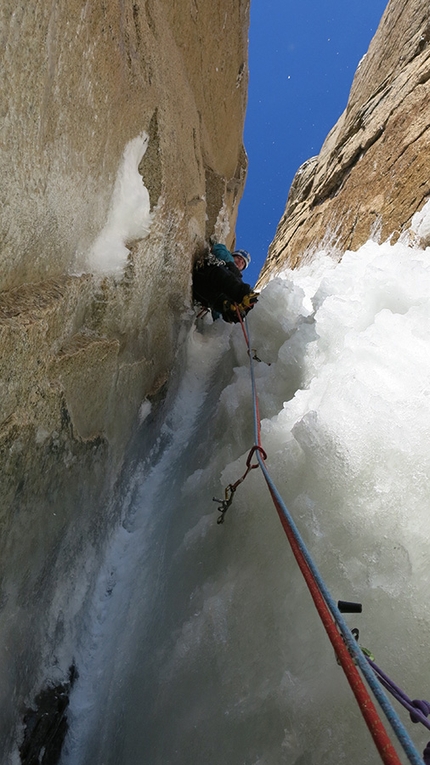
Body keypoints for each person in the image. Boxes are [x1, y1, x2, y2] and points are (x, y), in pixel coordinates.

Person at [193, 241, 258, 323]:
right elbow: (217, 248)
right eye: (238, 258)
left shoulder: (238, 278)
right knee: (224, 275)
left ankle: (229, 310)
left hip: (204, 293)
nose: (239, 262)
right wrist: (230, 263)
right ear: (232, 255)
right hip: (206, 274)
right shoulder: (226, 259)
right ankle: (243, 295)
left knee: (226, 303)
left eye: (242, 263)